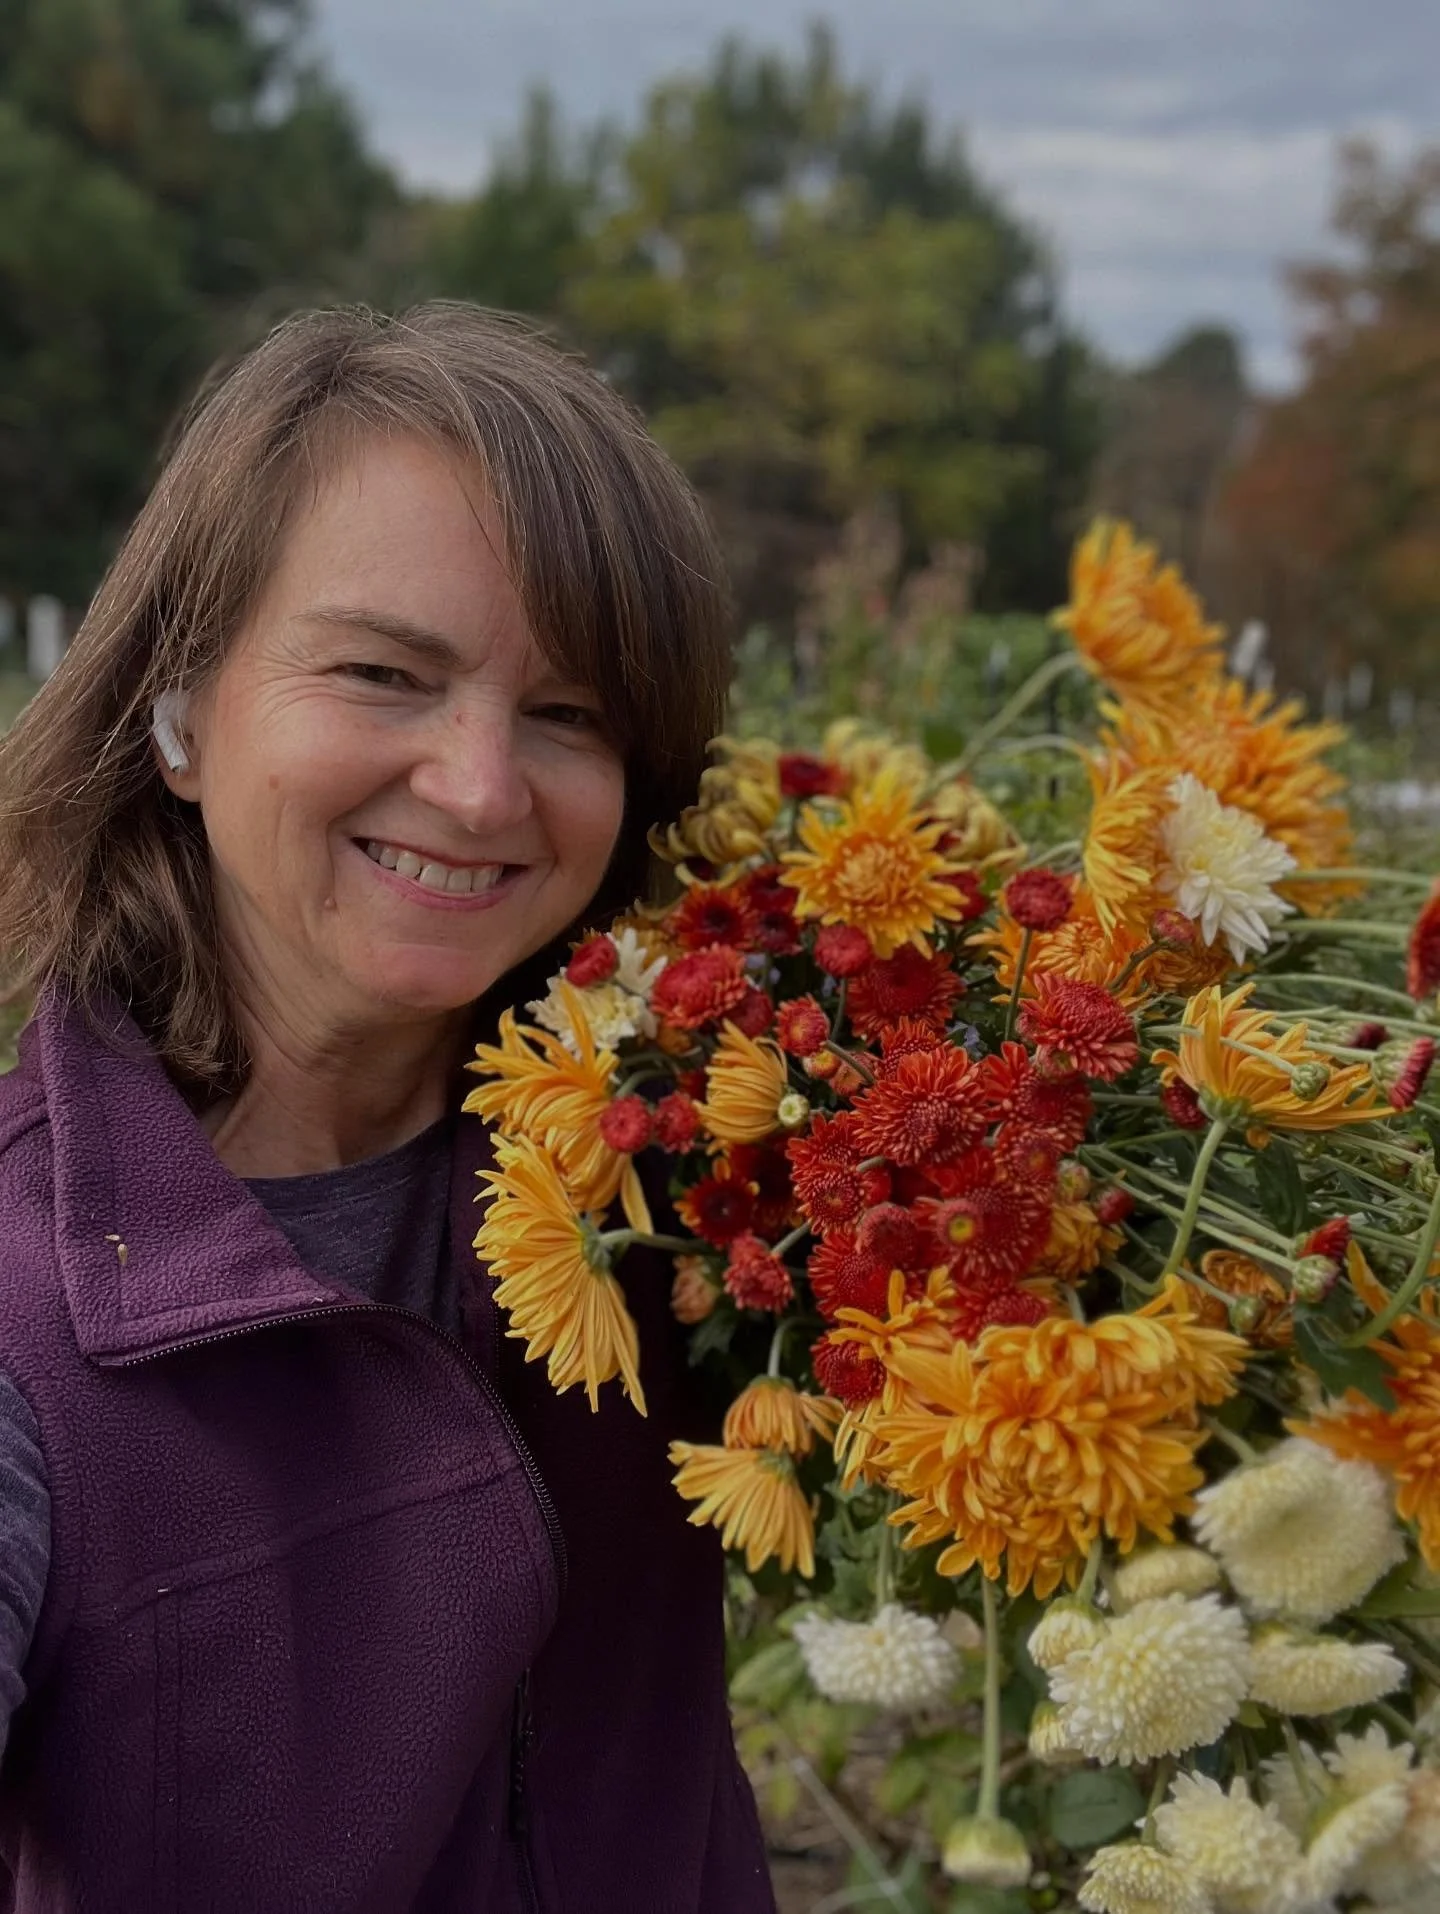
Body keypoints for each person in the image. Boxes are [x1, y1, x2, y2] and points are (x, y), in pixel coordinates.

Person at [0, 305, 777, 1912]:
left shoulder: (698, 1178)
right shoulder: (28, 1321)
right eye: (381, 673)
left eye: (567, 714)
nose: (483, 788)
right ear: (180, 705)